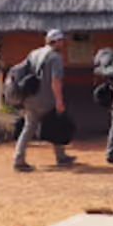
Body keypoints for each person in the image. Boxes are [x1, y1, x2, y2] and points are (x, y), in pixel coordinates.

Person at [13, 29, 76, 172]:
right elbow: (56, 80)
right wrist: (59, 100)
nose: (63, 43)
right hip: (46, 99)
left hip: (30, 98)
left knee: (29, 128)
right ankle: (61, 157)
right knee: (56, 123)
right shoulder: (55, 57)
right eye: (61, 40)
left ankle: (19, 158)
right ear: (56, 42)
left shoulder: (34, 53)